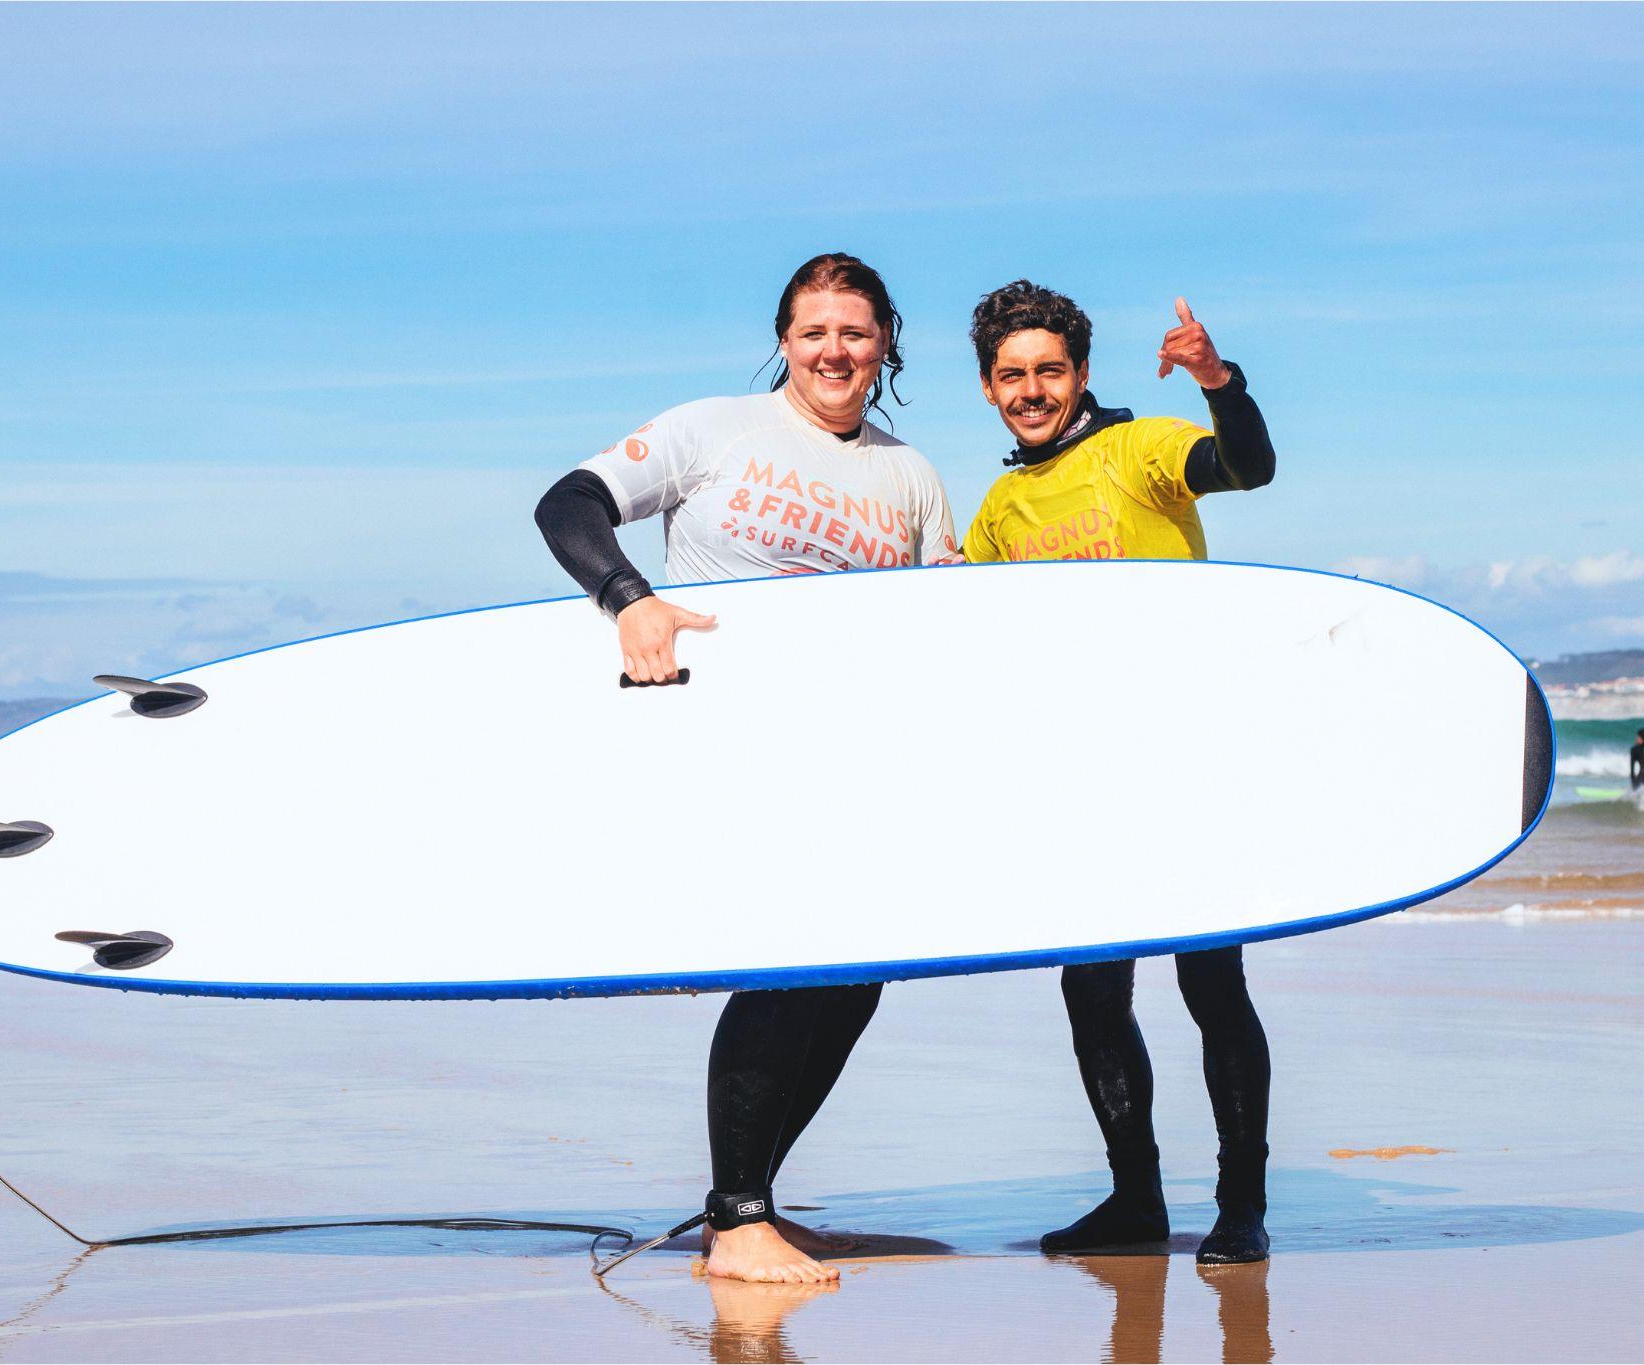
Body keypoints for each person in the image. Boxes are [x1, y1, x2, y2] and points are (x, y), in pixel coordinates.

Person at [534, 253, 958, 1282]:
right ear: (783, 340)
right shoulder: (713, 428)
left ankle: (752, 1198)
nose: (833, 350)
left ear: (885, 345)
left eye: (855, 332)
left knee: (853, 980)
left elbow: (942, 623)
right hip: (724, 743)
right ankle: (737, 1219)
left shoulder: (908, 473)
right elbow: (566, 505)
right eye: (814, 330)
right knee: (787, 960)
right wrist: (627, 597)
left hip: (845, 754)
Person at [959, 280, 1278, 1264]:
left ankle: (1239, 1210)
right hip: (1078, 780)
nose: (1031, 389)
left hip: (1184, 760)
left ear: (1080, 373)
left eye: (1048, 370)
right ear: (986, 388)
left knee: (1209, 985)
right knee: (1091, 995)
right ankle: (1135, 1201)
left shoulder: (1139, 450)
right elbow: (972, 644)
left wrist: (1216, 380)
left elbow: (1246, 466)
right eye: (1011, 375)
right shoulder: (999, 510)